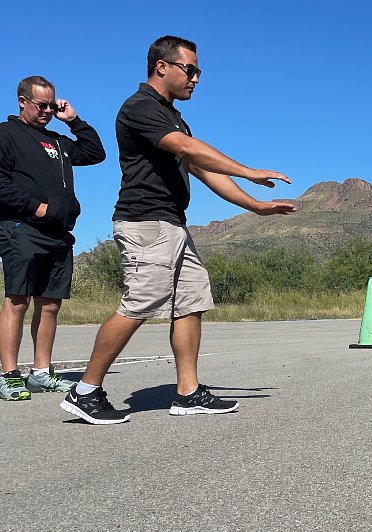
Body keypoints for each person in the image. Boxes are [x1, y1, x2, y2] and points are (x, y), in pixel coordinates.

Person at [60, 36, 296, 425]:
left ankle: (187, 393)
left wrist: (255, 205)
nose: (196, 79)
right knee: (141, 302)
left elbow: (203, 169)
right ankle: (85, 390)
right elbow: (189, 151)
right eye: (191, 69)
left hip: (173, 224)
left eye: (198, 71)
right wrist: (251, 170)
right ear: (162, 67)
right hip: (145, 223)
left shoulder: (173, 117)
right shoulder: (139, 107)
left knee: (191, 301)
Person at [0, 76, 106, 401]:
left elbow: (94, 152)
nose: (47, 110)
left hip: (59, 234)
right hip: (23, 228)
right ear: (22, 102)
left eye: (51, 105)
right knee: (18, 300)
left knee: (50, 305)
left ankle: (41, 373)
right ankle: (9, 375)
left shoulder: (57, 141)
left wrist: (73, 120)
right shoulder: (6, 135)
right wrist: (39, 208)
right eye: (40, 105)